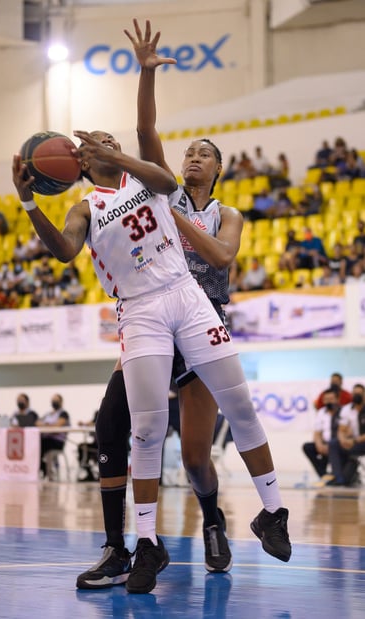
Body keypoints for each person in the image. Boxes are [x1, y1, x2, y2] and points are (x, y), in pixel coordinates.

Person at [73, 19, 291, 594]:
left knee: (197, 452)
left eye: (203, 154)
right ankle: (129, 545)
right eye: (188, 150)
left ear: (216, 169)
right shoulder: (137, 189)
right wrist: (145, 75)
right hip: (145, 312)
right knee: (121, 422)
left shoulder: (208, 207)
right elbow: (146, 130)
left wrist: (176, 219)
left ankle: (217, 520)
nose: (192, 157)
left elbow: (220, 258)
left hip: (197, 310)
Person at [327, 384, 365, 486]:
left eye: (359, 393)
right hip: (351, 443)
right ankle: (338, 478)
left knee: (350, 453)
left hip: (361, 442)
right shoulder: (346, 409)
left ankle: (349, 475)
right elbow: (341, 429)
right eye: (354, 393)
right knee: (334, 443)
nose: (356, 396)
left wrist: (354, 440)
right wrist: (343, 440)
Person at [302, 388, 341, 480]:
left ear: (337, 399)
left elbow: (344, 431)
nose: (328, 402)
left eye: (331, 399)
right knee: (308, 447)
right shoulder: (321, 412)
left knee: (332, 446)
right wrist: (319, 445)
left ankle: (334, 475)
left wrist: (331, 445)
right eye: (326, 399)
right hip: (324, 443)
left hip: (338, 443)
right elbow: (317, 432)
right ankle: (324, 475)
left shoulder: (343, 412)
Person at [36, 394, 70, 480]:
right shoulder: (48, 414)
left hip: (57, 441)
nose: (54, 402)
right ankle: (43, 468)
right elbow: (37, 423)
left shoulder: (63, 413)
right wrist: (47, 425)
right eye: (53, 400)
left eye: (56, 400)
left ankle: (46, 471)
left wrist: (47, 425)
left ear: (61, 402)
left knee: (41, 445)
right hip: (47, 439)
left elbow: (58, 425)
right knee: (35, 445)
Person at [77, 410, 100, 482]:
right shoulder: (98, 413)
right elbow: (92, 422)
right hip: (96, 444)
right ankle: (89, 472)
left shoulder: (110, 413)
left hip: (104, 444)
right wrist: (84, 423)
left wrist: (87, 424)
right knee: (81, 447)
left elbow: (97, 423)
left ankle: (93, 473)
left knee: (83, 448)